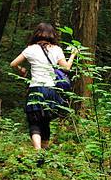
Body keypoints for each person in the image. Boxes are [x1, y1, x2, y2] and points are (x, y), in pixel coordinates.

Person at [10, 23, 77, 151]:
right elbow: (67, 68)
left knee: (34, 121)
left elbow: (13, 64)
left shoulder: (30, 49)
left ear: (36, 34)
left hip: (36, 88)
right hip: (51, 89)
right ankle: (44, 151)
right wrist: (73, 54)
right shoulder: (56, 49)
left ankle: (38, 150)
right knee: (45, 120)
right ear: (52, 35)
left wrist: (21, 69)